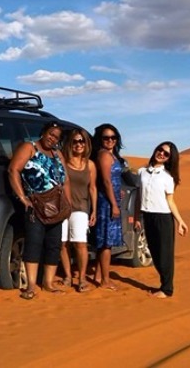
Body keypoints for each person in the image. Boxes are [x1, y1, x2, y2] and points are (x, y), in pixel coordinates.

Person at [8, 121, 71, 300]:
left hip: (56, 207)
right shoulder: (30, 148)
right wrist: (22, 197)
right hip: (35, 205)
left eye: (56, 137)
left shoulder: (57, 154)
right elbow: (13, 170)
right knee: (34, 243)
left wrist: (68, 204)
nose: (52, 139)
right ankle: (31, 285)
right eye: (51, 134)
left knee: (54, 244)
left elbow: (66, 180)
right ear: (43, 132)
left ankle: (48, 283)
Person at [135, 141, 189, 299]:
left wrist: (180, 221)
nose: (162, 154)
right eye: (160, 150)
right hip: (147, 216)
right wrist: (137, 216)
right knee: (154, 252)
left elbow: (170, 201)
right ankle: (164, 285)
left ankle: (167, 289)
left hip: (163, 218)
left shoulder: (168, 177)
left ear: (169, 158)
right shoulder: (142, 172)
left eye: (166, 154)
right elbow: (138, 197)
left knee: (165, 254)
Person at [58, 128, 97, 293]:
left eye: (82, 141)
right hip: (62, 207)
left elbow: (92, 188)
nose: (79, 144)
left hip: (81, 207)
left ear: (86, 144)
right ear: (70, 143)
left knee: (80, 243)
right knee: (62, 243)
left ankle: (81, 278)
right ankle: (68, 276)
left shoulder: (90, 165)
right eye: (75, 141)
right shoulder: (63, 162)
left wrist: (94, 210)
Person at [91, 123, 126, 290]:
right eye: (106, 137)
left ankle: (98, 275)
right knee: (106, 241)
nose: (110, 140)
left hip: (111, 199)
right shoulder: (104, 155)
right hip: (106, 203)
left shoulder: (111, 155)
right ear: (100, 139)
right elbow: (106, 181)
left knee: (106, 241)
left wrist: (119, 192)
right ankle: (105, 280)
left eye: (113, 137)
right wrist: (114, 204)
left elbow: (113, 180)